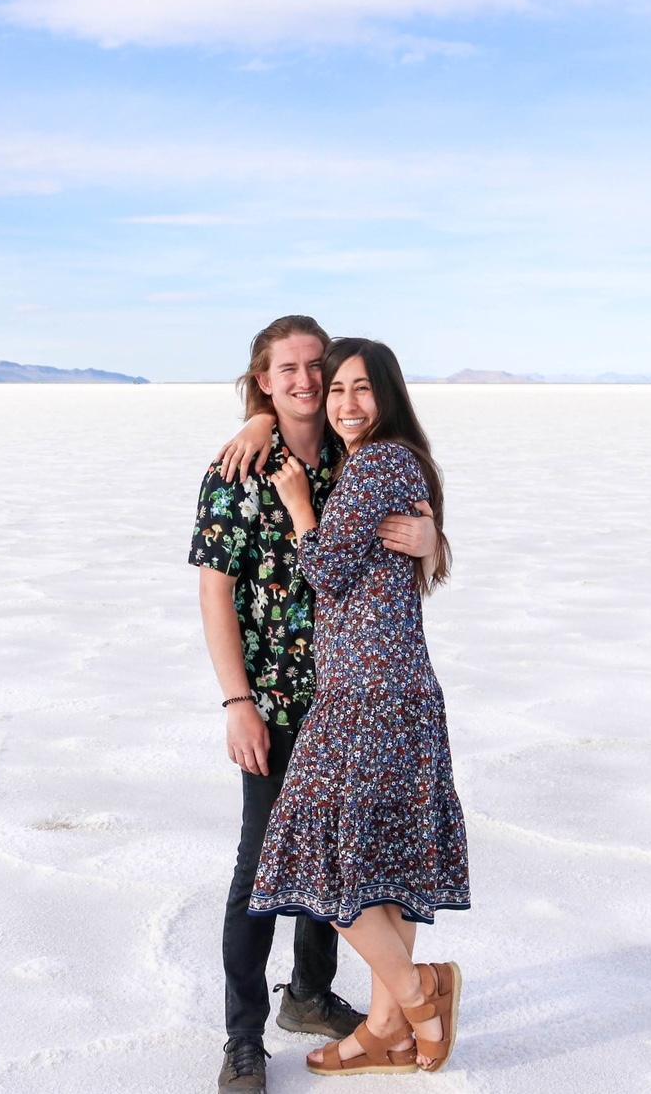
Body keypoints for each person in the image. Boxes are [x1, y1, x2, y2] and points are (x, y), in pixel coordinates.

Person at [189, 316, 440, 1093]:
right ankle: (242, 1037)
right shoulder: (237, 469)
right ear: (262, 381)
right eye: (286, 371)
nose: (306, 383)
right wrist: (237, 700)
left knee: (339, 857)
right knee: (263, 865)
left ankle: (309, 994)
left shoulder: (351, 453)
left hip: (349, 699)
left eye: (315, 369)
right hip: (272, 698)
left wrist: (430, 538)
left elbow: (393, 534)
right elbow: (214, 591)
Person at [248, 336, 470, 1077]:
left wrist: (297, 503)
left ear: (390, 396)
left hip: (367, 693)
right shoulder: (388, 461)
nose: (345, 403)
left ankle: (418, 990)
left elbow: (327, 569)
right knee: (383, 859)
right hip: (394, 688)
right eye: (336, 389)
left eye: (361, 390)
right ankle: (386, 1029)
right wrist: (257, 420)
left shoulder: (377, 462)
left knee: (326, 860)